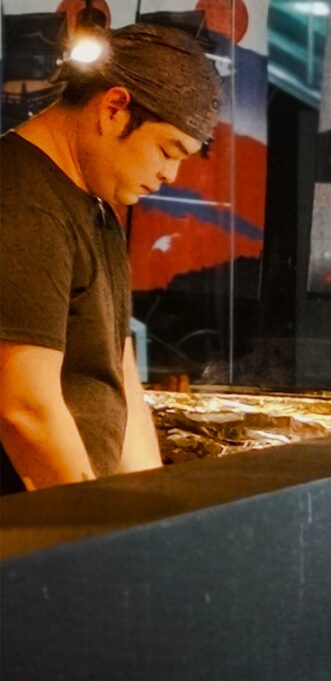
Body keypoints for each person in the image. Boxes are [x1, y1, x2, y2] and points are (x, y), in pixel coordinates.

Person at [0, 23, 222, 493]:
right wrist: (91, 527)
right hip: (31, 529)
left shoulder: (98, 210)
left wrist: (145, 516)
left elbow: (117, 371)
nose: (169, 174)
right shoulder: (22, 202)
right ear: (115, 108)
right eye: (167, 150)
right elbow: (24, 407)